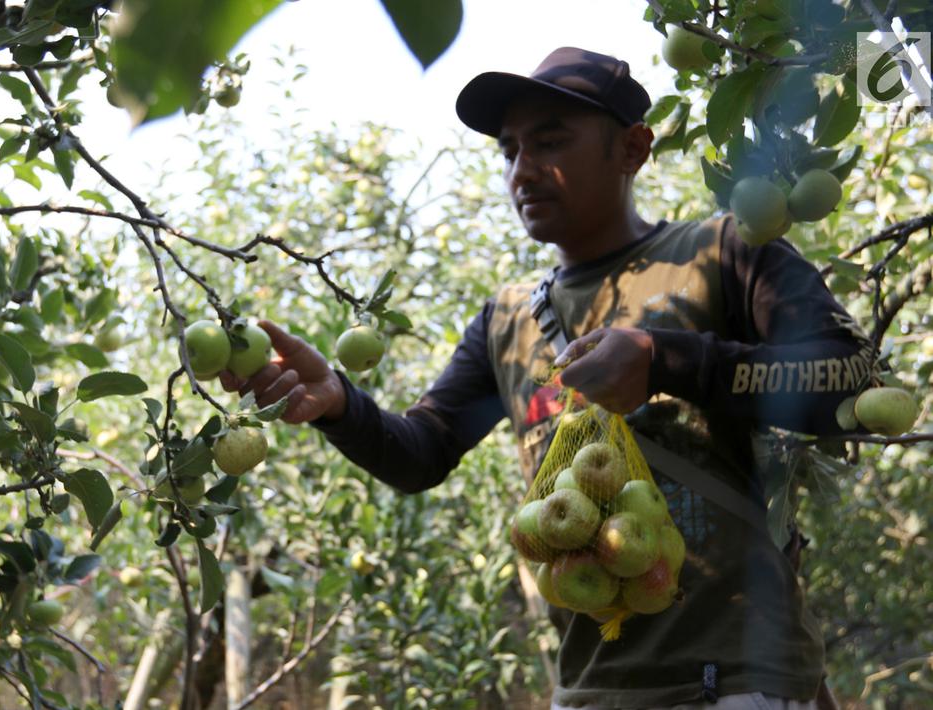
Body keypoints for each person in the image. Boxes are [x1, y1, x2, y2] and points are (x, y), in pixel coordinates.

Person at [220, 47, 868, 709]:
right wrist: (338, 404)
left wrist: (665, 359)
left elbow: (849, 379)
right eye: (508, 151)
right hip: (586, 691)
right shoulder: (506, 319)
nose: (522, 172)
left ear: (632, 148)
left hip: (734, 682)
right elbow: (421, 452)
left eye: (550, 142)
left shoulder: (722, 253)